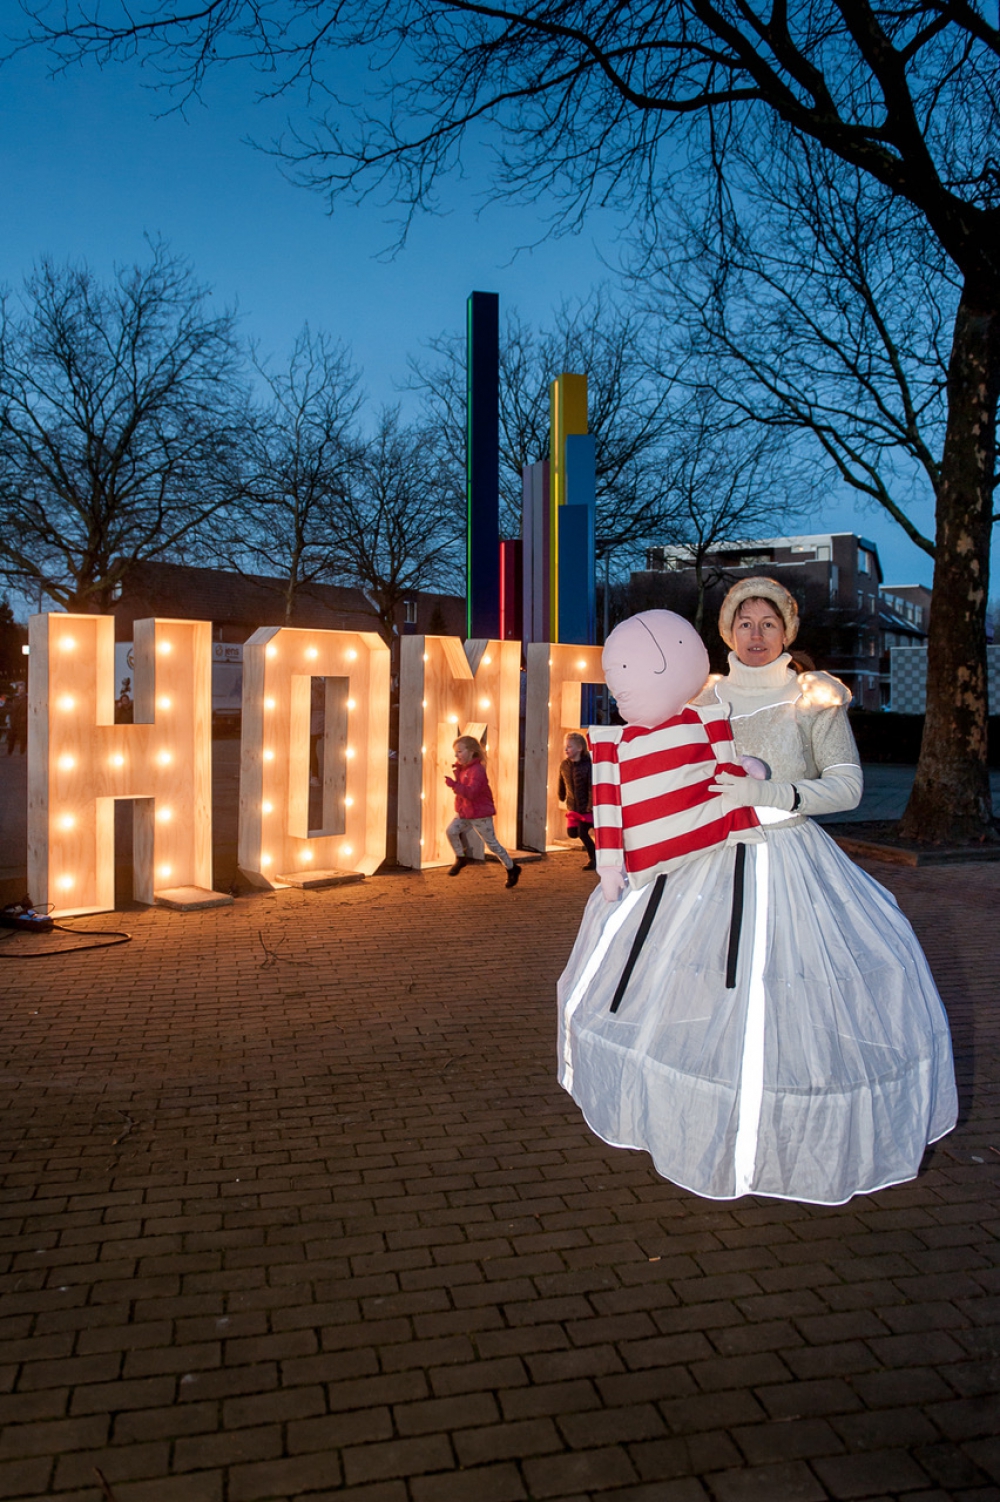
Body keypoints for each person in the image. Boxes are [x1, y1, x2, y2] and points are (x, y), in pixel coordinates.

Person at [558, 591, 957, 1205]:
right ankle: (695, 1120)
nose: (755, 633)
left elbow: (847, 787)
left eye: (769, 623)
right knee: (703, 989)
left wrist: (771, 796)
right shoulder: (701, 695)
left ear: (788, 630)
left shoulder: (813, 695)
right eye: (743, 622)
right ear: (724, 631)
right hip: (705, 857)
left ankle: (784, 1134)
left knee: (789, 993)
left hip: (790, 853)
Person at [445, 735, 521, 889]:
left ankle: (511, 867)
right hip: (466, 811)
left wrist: (454, 785)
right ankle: (461, 857)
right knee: (451, 830)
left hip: (480, 814)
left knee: (492, 845)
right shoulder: (462, 769)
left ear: (471, 751)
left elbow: (471, 792)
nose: (456, 755)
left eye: (460, 751)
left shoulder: (477, 770)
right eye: (456, 752)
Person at [558, 732, 596, 869]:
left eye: (569, 747)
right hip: (573, 807)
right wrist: (561, 795)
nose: (566, 750)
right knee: (572, 833)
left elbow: (591, 786)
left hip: (586, 807)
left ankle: (594, 859)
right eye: (565, 747)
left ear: (579, 748)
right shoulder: (564, 765)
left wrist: (591, 804)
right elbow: (562, 781)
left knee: (582, 833)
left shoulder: (587, 765)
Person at [5, 684, 27, 754]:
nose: (21, 691)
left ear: (25, 690)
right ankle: (9, 752)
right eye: (19, 689)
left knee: (23, 738)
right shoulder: (15, 699)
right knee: (11, 738)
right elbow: (12, 710)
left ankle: (22, 752)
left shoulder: (27, 699)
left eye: (22, 689)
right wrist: (11, 719)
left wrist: (25, 718)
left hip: (23, 721)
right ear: (17, 690)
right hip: (14, 721)